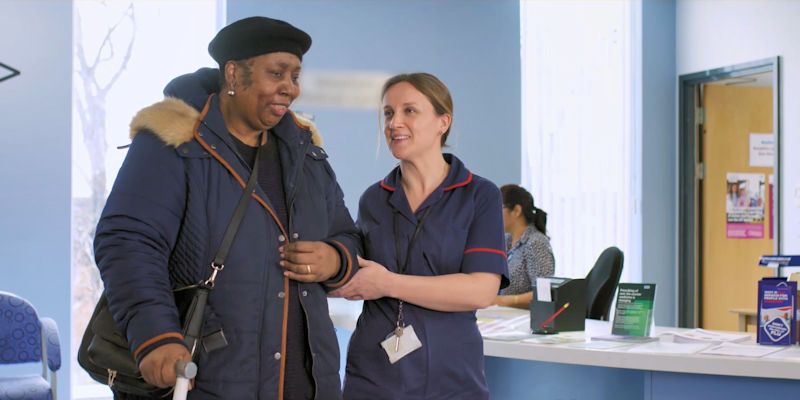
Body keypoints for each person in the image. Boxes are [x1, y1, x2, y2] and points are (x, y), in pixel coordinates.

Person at [93, 16, 361, 400]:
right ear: (234, 75)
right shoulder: (174, 145)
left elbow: (347, 233)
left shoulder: (307, 153)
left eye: (295, 76)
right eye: (277, 73)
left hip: (307, 383)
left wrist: (335, 259)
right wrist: (155, 336)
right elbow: (127, 241)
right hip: (207, 378)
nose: (290, 88)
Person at [331, 73, 509, 399]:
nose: (394, 122)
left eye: (409, 111)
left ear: (443, 122)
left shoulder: (479, 195)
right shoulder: (374, 199)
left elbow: (482, 290)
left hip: (452, 375)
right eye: (388, 113)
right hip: (375, 374)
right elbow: (356, 273)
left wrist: (386, 283)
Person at [493, 184, 555, 309]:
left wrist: (505, 301)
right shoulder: (506, 241)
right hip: (502, 315)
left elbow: (544, 293)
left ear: (516, 211)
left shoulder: (536, 243)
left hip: (523, 319)